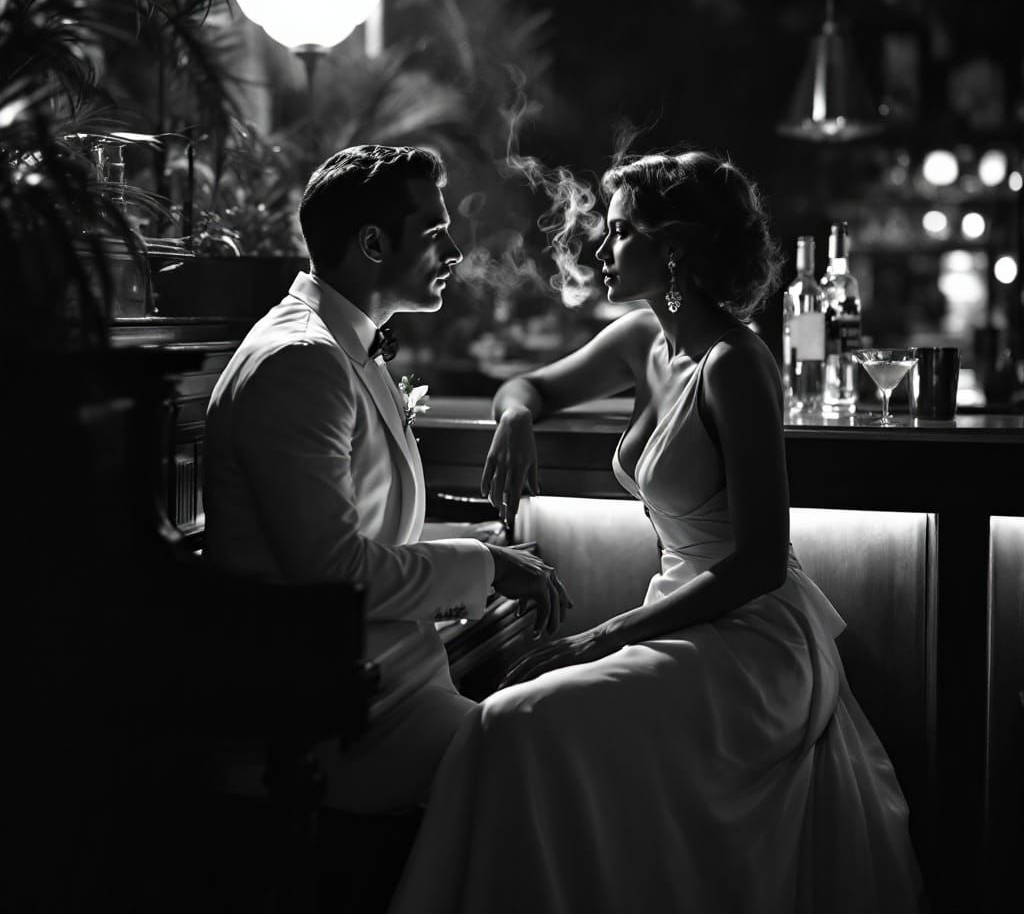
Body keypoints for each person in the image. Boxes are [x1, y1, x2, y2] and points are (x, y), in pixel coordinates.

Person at [388, 150, 925, 913]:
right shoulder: (647, 341)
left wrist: (601, 636)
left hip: (754, 642)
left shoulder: (736, 364)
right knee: (505, 722)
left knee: (517, 717)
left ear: (672, 247)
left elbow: (761, 562)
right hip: (681, 622)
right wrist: (513, 417)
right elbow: (531, 385)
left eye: (618, 233)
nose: (601, 251)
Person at [202, 144, 569, 814]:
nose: (455, 251)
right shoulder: (300, 362)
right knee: (546, 767)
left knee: (558, 739)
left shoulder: (343, 346)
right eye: (434, 232)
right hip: (333, 717)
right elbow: (333, 572)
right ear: (373, 244)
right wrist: (484, 565)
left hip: (385, 684)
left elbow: (358, 523)